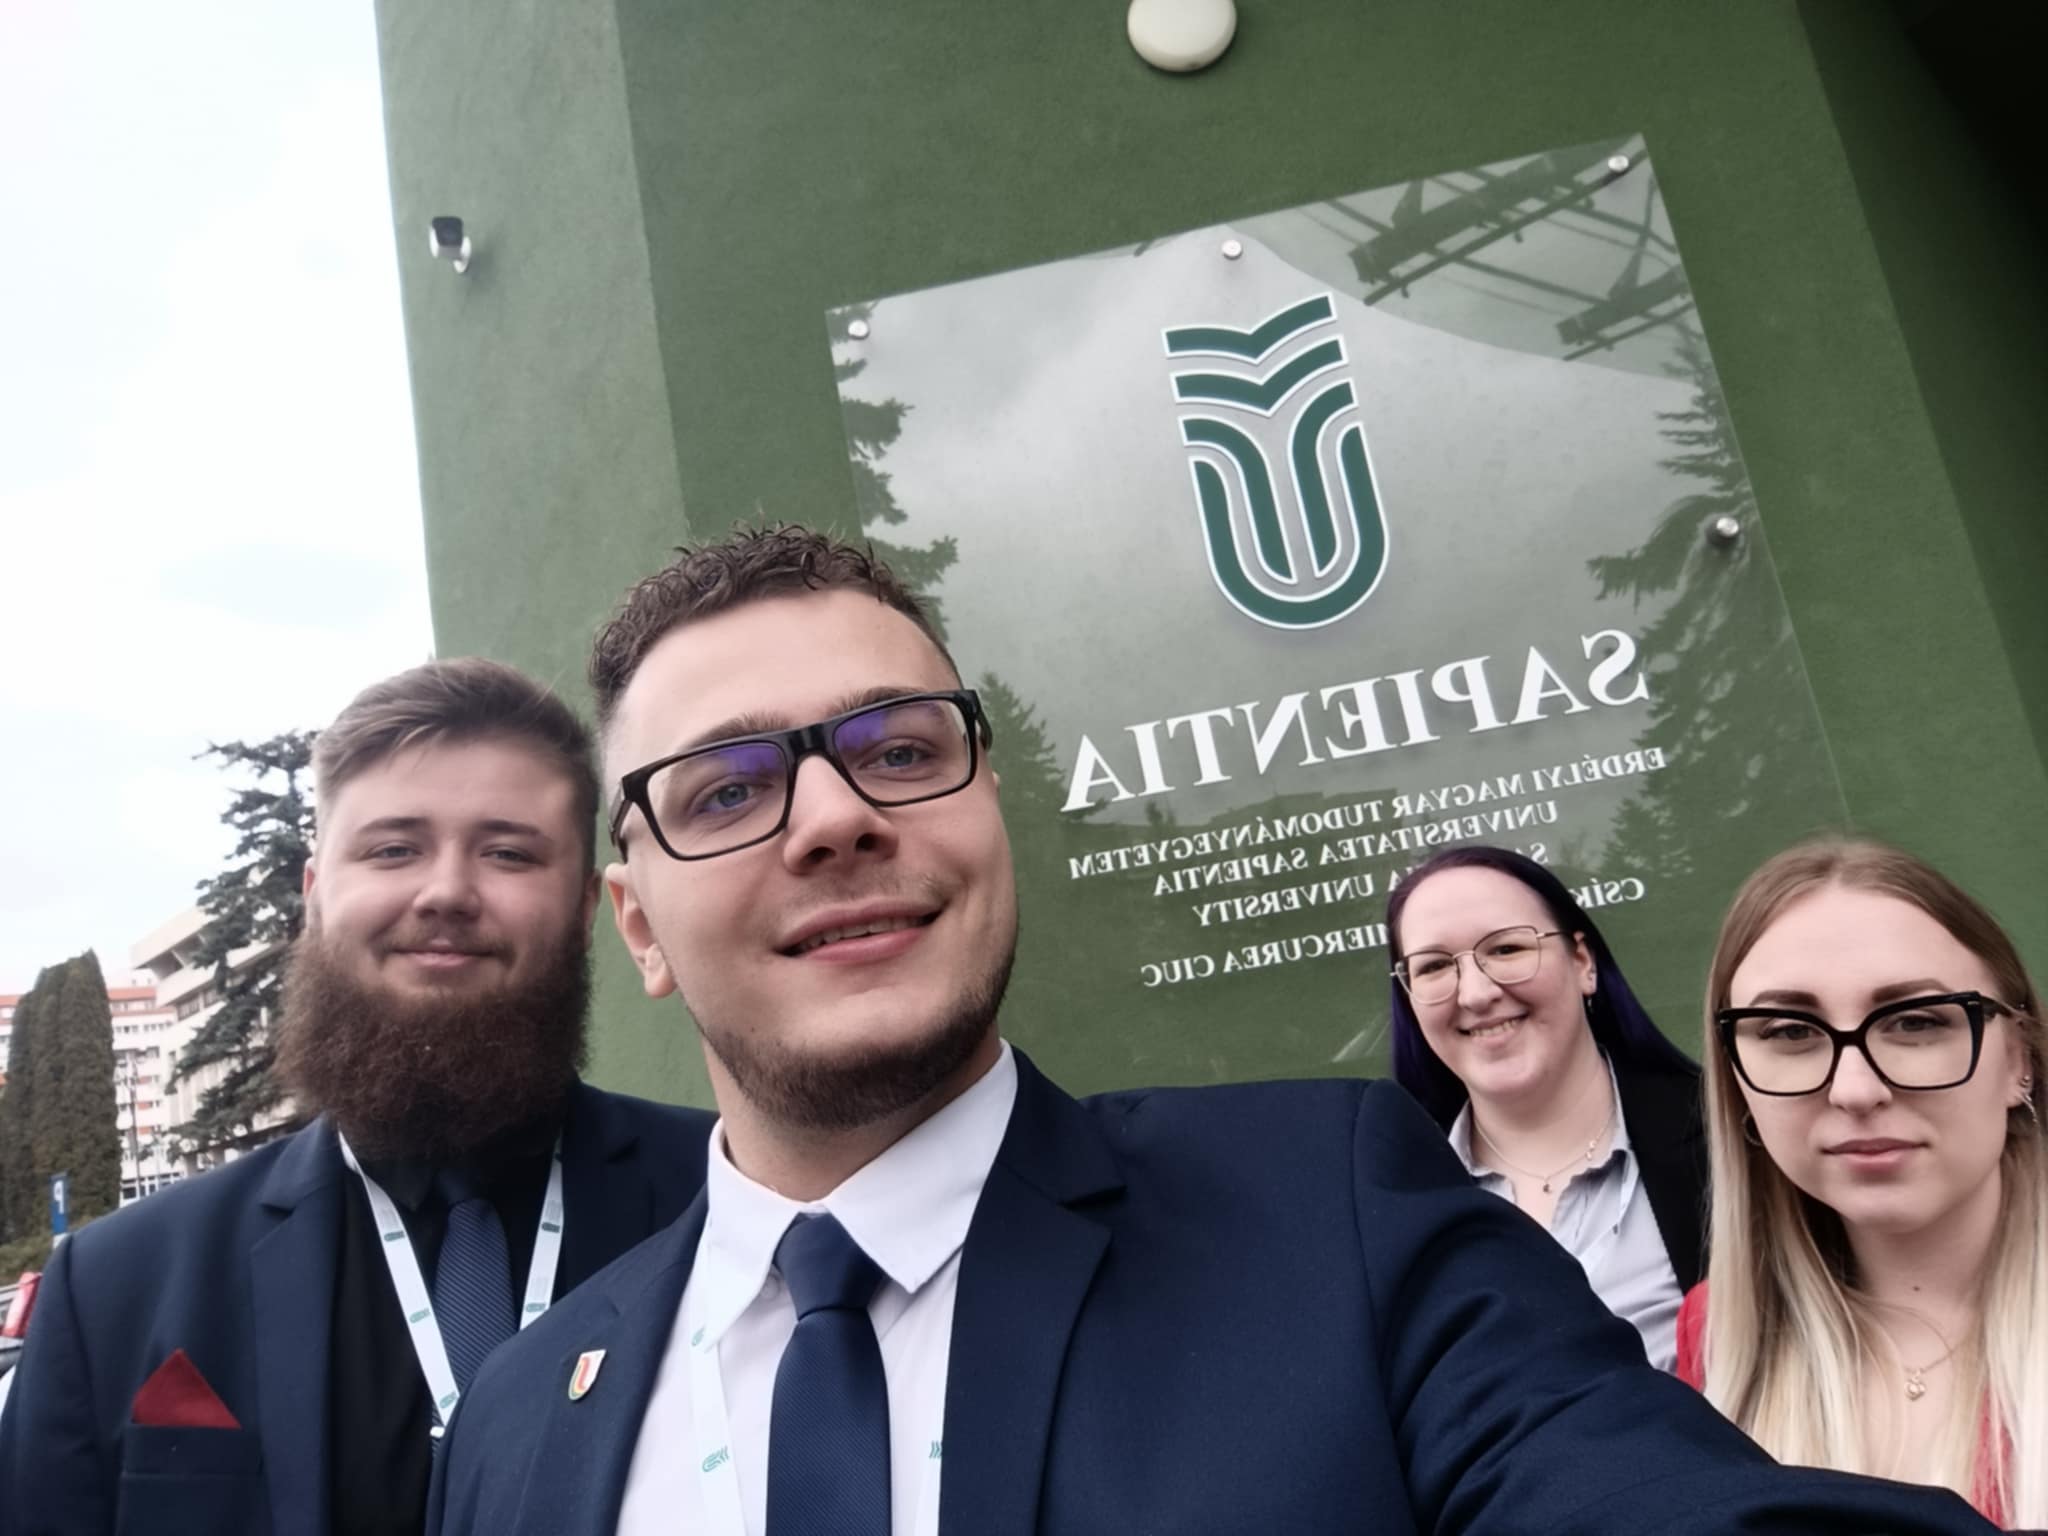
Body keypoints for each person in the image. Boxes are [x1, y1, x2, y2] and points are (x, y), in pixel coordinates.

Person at [431, 525, 2011, 1536]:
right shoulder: (514, 1423)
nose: (837, 815)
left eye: (899, 749)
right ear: (637, 923)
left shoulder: (1339, 1215)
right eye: (724, 790)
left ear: (988, 812)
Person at [0, 659, 717, 1536]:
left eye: (508, 852)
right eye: (392, 849)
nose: (446, 892)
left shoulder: (734, 1205)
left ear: (582, 908)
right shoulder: (116, 1284)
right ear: (315, 897)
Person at [1676, 839, 2047, 1527]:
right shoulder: (1718, 1334)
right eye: (1789, 1032)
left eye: (1916, 1022)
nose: (1854, 1089)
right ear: (1738, 1086)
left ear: (2017, 1058)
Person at [1384, 845, 1706, 1369]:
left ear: (1583, 963)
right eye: (1435, 966)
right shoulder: (1392, 1206)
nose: (1475, 993)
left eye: (1507, 949)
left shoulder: (1736, 1138)